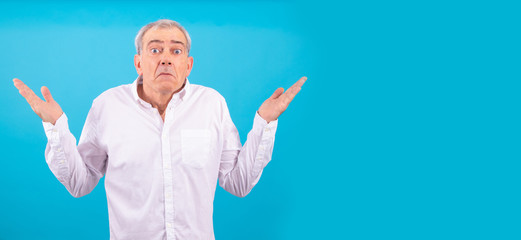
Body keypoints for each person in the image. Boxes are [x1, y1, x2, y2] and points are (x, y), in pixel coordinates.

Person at [12, 19, 306, 240]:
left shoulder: (212, 104)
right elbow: (80, 184)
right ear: (138, 62)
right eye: (155, 49)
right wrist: (54, 126)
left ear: (188, 64)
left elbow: (238, 183)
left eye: (176, 51)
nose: (166, 57)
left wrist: (265, 122)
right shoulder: (107, 105)